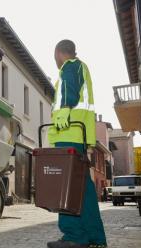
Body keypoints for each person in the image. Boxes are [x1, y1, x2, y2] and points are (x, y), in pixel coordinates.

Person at [46, 40, 107, 248]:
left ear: (58, 53)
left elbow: (69, 90)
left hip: (69, 131)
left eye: (55, 57)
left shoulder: (70, 66)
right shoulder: (82, 68)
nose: (55, 61)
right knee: (84, 190)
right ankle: (95, 237)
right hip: (79, 134)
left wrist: (63, 109)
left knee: (67, 186)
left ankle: (74, 236)